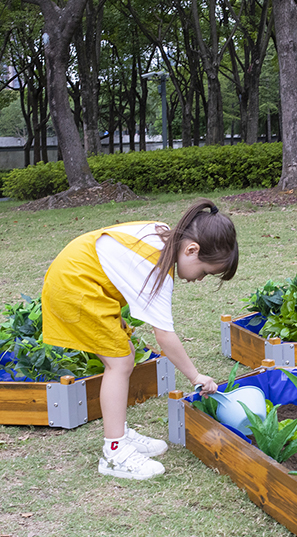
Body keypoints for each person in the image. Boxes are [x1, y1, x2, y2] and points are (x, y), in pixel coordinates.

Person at [42, 199, 238, 480]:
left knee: (124, 356)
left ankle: (119, 433)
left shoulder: (164, 234)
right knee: (119, 364)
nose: (200, 279)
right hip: (75, 285)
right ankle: (115, 452)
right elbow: (165, 337)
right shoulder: (156, 266)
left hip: (85, 278)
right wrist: (196, 375)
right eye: (206, 272)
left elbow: (114, 257)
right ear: (191, 249)